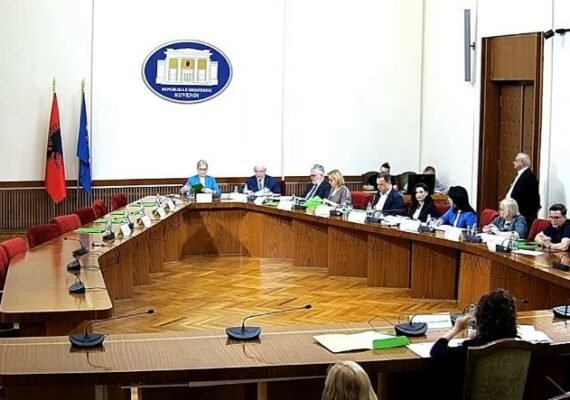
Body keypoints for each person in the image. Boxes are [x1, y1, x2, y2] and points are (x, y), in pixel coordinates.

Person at [430, 289, 518, 399]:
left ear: (480, 319)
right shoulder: (519, 346)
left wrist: (455, 329)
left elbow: (436, 352)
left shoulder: (473, 347)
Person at [506, 153, 540, 229]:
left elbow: (533, 199)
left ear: (522, 162)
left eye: (516, 160)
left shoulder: (529, 177)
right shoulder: (521, 175)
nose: (513, 162)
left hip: (522, 214)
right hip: (513, 212)